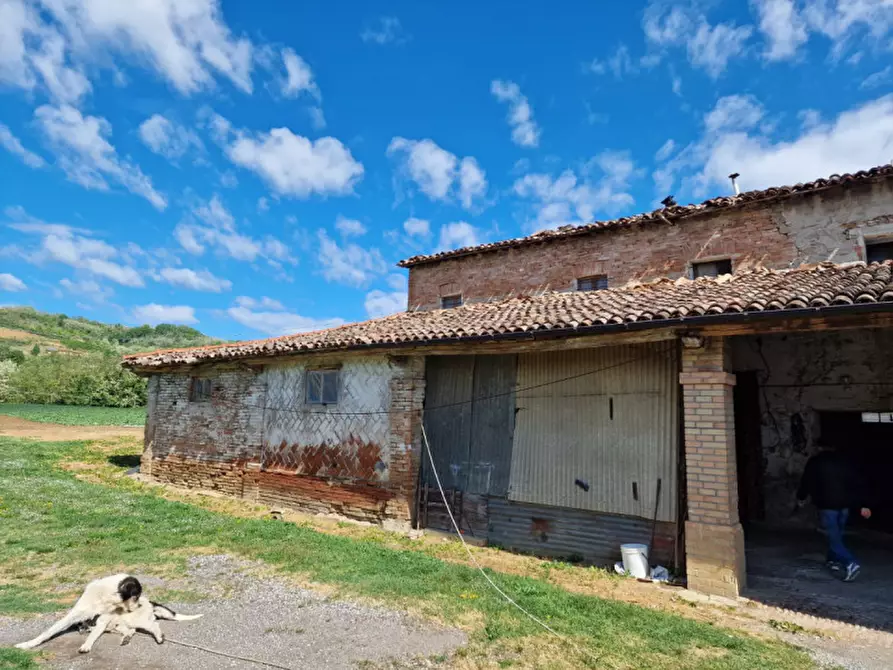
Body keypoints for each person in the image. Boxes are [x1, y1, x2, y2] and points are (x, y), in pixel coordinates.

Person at [797, 446, 872, 582]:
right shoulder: (845, 462)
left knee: (833, 538)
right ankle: (833, 561)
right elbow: (857, 483)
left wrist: (801, 497)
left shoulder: (816, 461)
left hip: (826, 504)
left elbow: (807, 480)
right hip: (844, 505)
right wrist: (862, 504)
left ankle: (850, 562)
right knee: (838, 535)